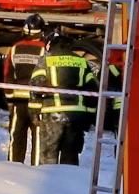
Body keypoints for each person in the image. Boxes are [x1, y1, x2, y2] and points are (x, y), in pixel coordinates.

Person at [36, 37, 95, 166]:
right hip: (76, 115)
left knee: (48, 157)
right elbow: (93, 90)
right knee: (70, 157)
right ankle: (67, 183)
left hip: (52, 113)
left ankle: (49, 185)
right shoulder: (82, 62)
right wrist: (89, 117)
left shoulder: (46, 60)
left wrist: (34, 111)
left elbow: (34, 86)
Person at [5, 33, 46, 164]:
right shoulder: (44, 49)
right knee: (38, 139)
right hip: (37, 103)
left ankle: (12, 167)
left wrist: (9, 98)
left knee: (16, 137)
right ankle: (36, 169)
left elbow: (7, 74)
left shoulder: (15, 48)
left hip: (18, 102)